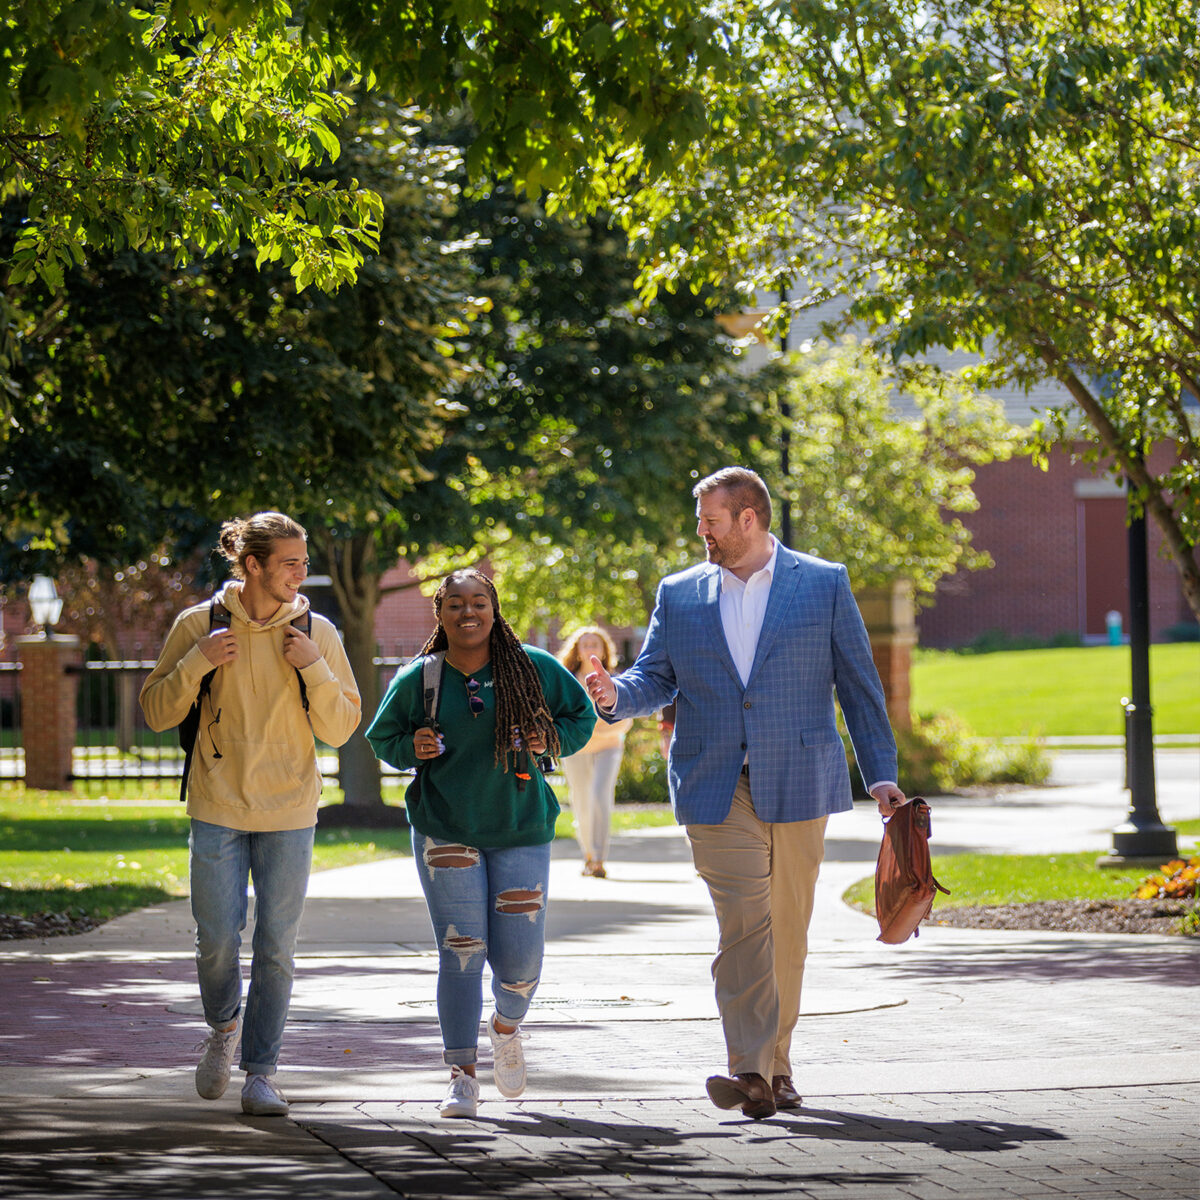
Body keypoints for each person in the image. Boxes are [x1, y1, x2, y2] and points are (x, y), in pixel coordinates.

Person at [585, 467, 906, 1120]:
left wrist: (880, 775)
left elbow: (859, 684)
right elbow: (656, 674)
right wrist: (618, 695)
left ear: (749, 518)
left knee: (786, 931)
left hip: (800, 779)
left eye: (711, 520)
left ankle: (776, 1067)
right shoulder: (680, 593)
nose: (701, 532)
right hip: (714, 782)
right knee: (743, 925)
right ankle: (750, 1073)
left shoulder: (821, 583)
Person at [140, 512, 361, 1116]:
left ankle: (261, 1072)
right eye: (290, 562)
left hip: (290, 809)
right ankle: (222, 1028)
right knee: (215, 938)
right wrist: (199, 661)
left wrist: (312, 664)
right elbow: (157, 712)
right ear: (254, 564)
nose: (302, 572)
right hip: (217, 804)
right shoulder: (199, 625)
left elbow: (341, 728)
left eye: (304, 560)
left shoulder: (318, 632)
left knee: (276, 947)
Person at [365, 569, 595, 1119]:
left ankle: (506, 1026)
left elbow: (580, 716)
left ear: (494, 611)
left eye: (479, 603)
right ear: (440, 614)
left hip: (520, 827)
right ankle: (461, 1075)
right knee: (461, 952)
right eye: (456, 604)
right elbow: (382, 738)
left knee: (520, 966)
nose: (468, 613)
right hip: (446, 829)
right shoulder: (421, 677)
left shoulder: (533, 668)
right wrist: (411, 744)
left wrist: (552, 737)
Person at [557, 626, 632, 878]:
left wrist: (590, 729)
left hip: (608, 748)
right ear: (577, 650)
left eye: (595, 644)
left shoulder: (615, 679)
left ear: (604, 650)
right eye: (585, 644)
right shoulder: (567, 681)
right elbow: (560, 716)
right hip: (576, 749)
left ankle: (599, 858)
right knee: (581, 800)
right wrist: (589, 728)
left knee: (600, 796)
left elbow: (623, 722)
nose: (590, 648)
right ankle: (588, 854)